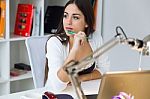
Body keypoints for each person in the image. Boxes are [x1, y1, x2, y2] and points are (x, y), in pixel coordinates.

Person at [45, 0, 110, 91]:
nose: (68, 22)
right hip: (59, 94)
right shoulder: (54, 42)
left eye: (75, 17)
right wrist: (75, 51)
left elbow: (104, 70)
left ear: (87, 22)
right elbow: (57, 85)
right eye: (65, 16)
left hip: (85, 91)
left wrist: (81, 78)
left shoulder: (95, 37)